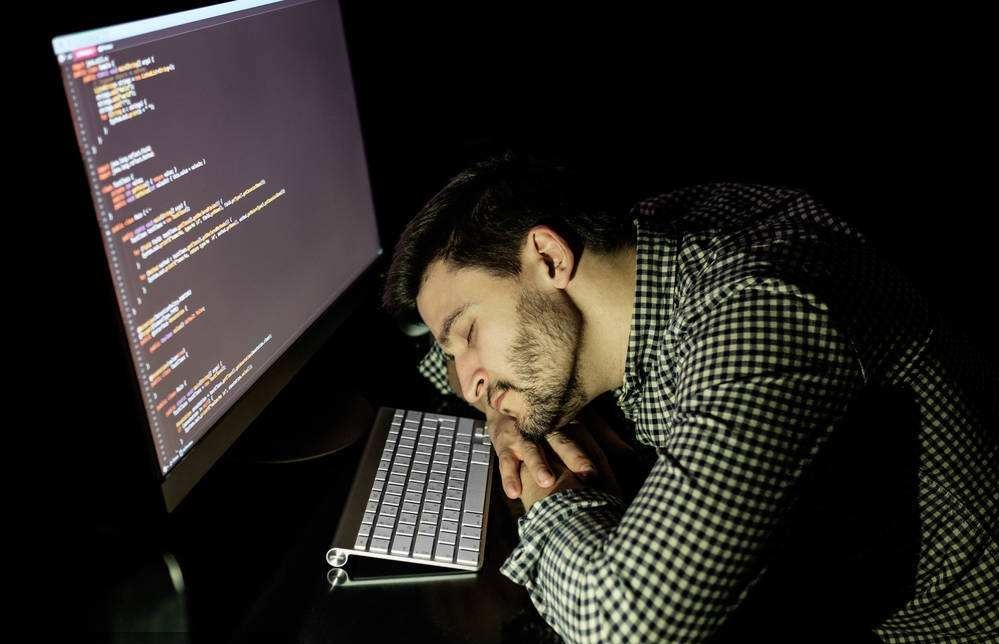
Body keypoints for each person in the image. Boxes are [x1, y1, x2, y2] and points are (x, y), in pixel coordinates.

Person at [380, 152, 998, 643]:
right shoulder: (646, 239)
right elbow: (446, 367)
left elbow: (630, 624)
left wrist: (551, 507)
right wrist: (501, 411)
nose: (467, 379)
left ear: (549, 255)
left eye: (467, 333)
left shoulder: (762, 314)